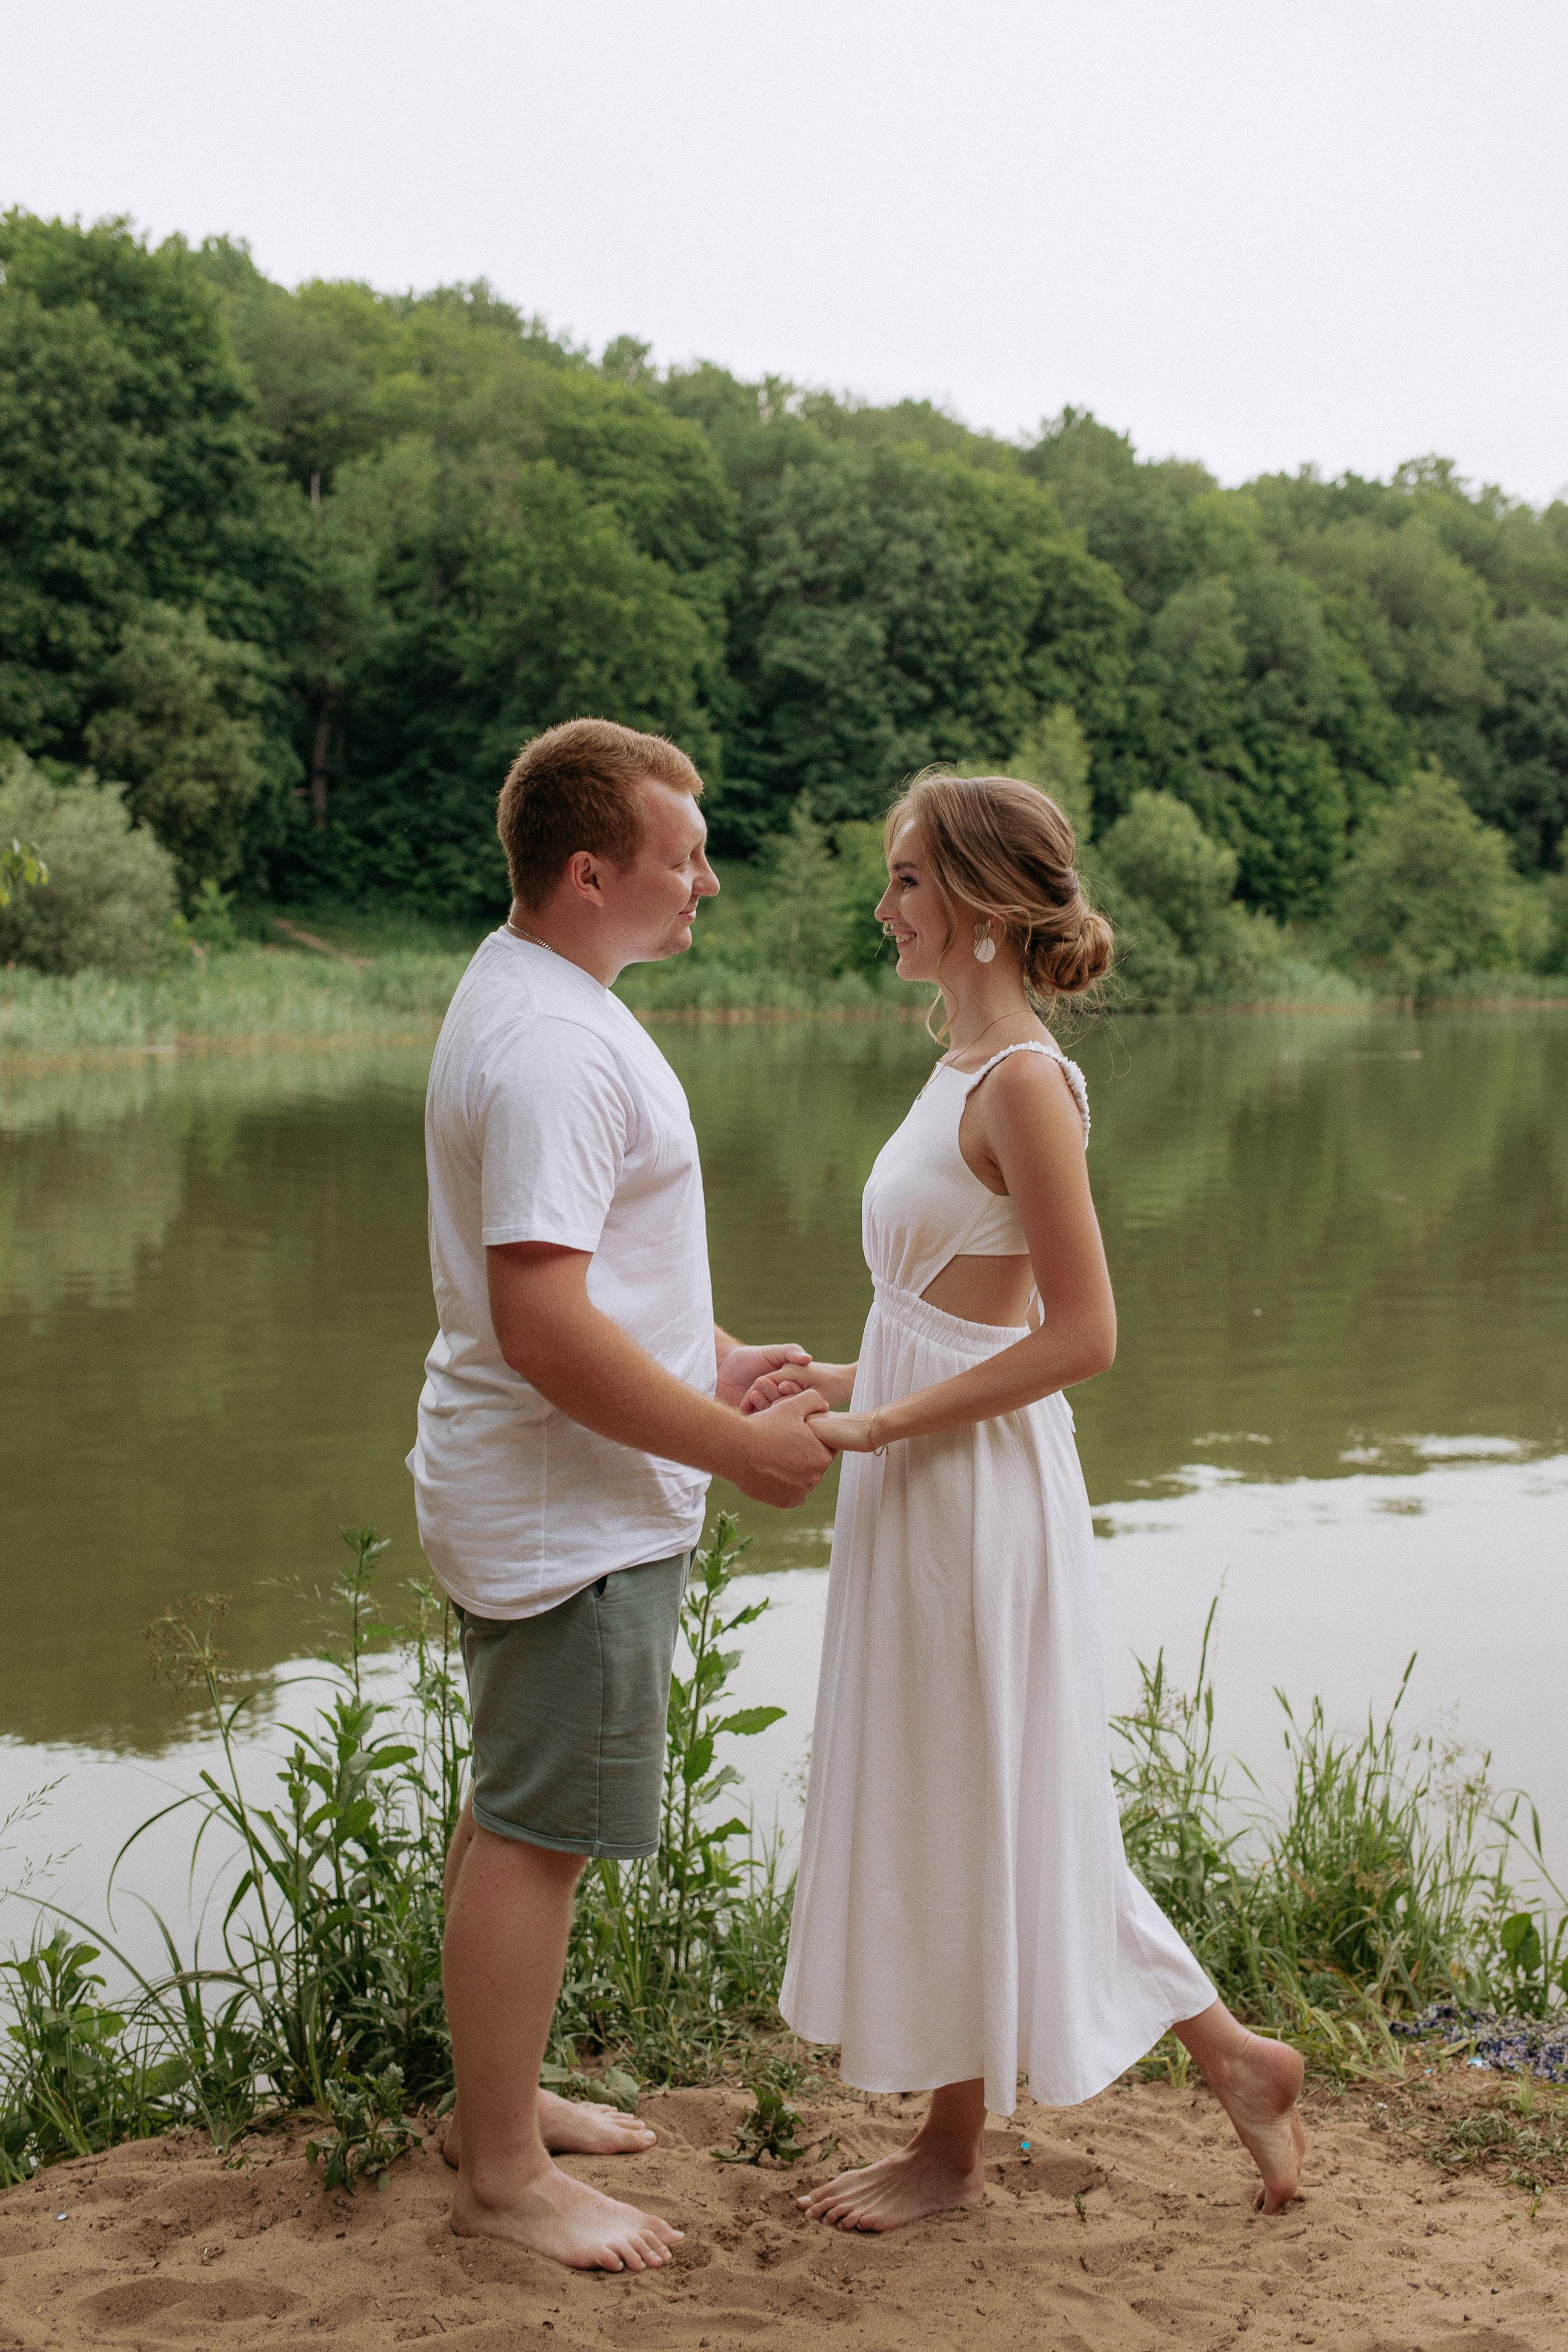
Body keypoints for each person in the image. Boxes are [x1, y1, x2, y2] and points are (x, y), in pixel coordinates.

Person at [741, 770, 1306, 2230]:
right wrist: (843, 1366)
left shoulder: (1025, 1085)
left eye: (906, 883)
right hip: (918, 1467)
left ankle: (952, 2147)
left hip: (976, 1490)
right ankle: (1233, 2062)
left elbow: (1080, 1337)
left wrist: (885, 1419)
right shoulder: (951, 1067)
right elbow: (951, 1314)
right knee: (970, 1786)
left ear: (985, 905)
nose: (883, 910)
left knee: (983, 1786)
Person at [409, 717, 834, 2272]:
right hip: (563, 1508)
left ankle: (490, 2118)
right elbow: (540, 1321)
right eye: (682, 855)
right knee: (539, 1834)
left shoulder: (537, 990)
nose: (707, 879)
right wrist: (736, 1448)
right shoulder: (551, 1045)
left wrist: (704, 1357)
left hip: (540, 1486)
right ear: (590, 873)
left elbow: (575, 1273)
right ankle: (505, 2178)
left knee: (512, 1806)